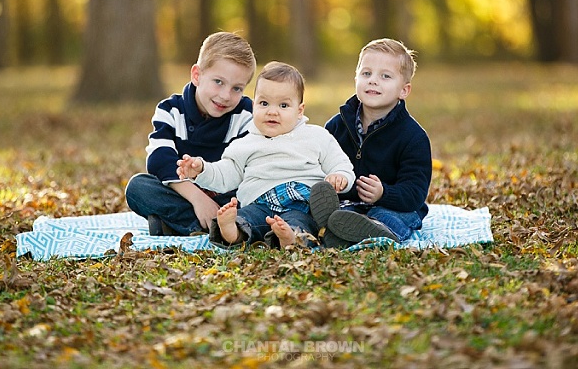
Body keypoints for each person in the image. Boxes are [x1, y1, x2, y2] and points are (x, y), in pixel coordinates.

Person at [176, 61, 355, 249]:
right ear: (254, 106)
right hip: (259, 202)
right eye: (264, 103)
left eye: (284, 105)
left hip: (301, 204)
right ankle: (232, 232)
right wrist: (202, 169)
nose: (272, 111)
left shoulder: (316, 136)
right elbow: (225, 174)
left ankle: (291, 238)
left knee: (299, 222)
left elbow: (341, 163)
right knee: (246, 217)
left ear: (299, 111)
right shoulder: (244, 144)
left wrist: (339, 177)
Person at [125, 32, 256, 236]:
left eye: (237, 88)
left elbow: (245, 166)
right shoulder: (170, 110)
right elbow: (159, 160)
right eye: (218, 82)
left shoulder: (246, 114)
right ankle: (207, 225)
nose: (225, 96)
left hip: (228, 196)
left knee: (257, 193)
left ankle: (185, 225)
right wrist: (197, 198)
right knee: (138, 188)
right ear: (197, 75)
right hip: (184, 193)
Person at [322, 38, 432, 247]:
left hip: (395, 206)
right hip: (348, 203)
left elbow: (415, 192)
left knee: (390, 217)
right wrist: (333, 179)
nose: (373, 80)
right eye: (366, 73)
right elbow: (318, 163)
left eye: (385, 76)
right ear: (356, 78)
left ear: (404, 90)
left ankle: (378, 234)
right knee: (338, 214)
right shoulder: (336, 127)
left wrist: (384, 193)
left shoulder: (413, 138)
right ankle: (333, 229)